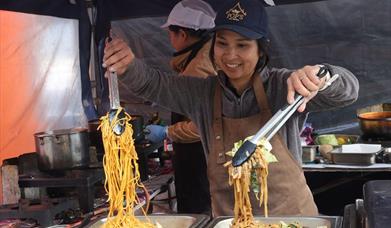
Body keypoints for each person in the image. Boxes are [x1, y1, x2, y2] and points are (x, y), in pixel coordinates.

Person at [103, 0, 359, 217]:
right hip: (231, 220)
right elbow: (152, 83)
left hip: (291, 219)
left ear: (260, 50)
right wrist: (128, 65)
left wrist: (322, 75)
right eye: (222, 43)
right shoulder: (202, 94)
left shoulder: (283, 86)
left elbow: (348, 91)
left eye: (242, 45)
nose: (230, 55)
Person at [144, 0, 216, 214]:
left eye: (171, 33)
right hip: (196, 160)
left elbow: (206, 124)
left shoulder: (199, 67)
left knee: (199, 213)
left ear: (182, 34)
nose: (170, 39)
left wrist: (167, 132)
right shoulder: (201, 56)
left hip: (201, 162)